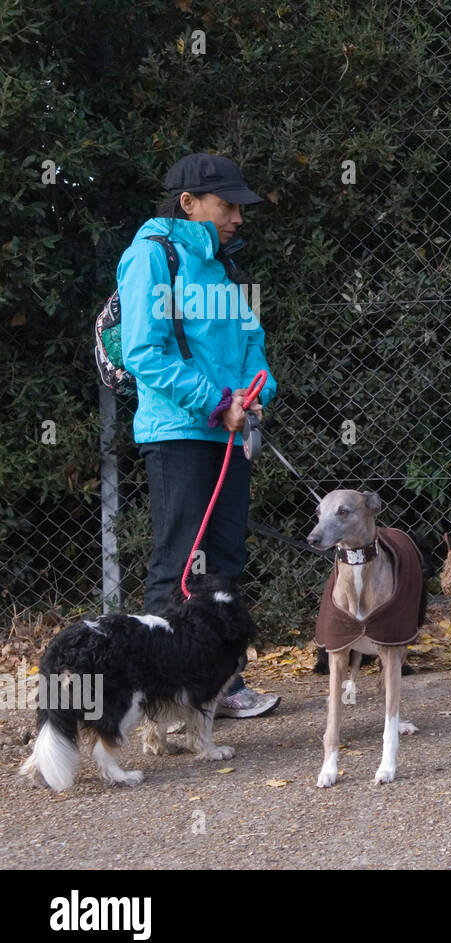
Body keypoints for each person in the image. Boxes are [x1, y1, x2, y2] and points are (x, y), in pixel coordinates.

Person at [117, 152, 280, 717]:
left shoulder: (227, 267)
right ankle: (158, 700)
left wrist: (256, 395)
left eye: (240, 206)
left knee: (225, 559)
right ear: (188, 203)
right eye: (227, 205)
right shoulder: (150, 258)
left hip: (231, 434)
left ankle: (218, 687)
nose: (238, 216)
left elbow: (253, 346)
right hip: (179, 431)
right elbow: (143, 352)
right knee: (181, 562)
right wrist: (216, 402)